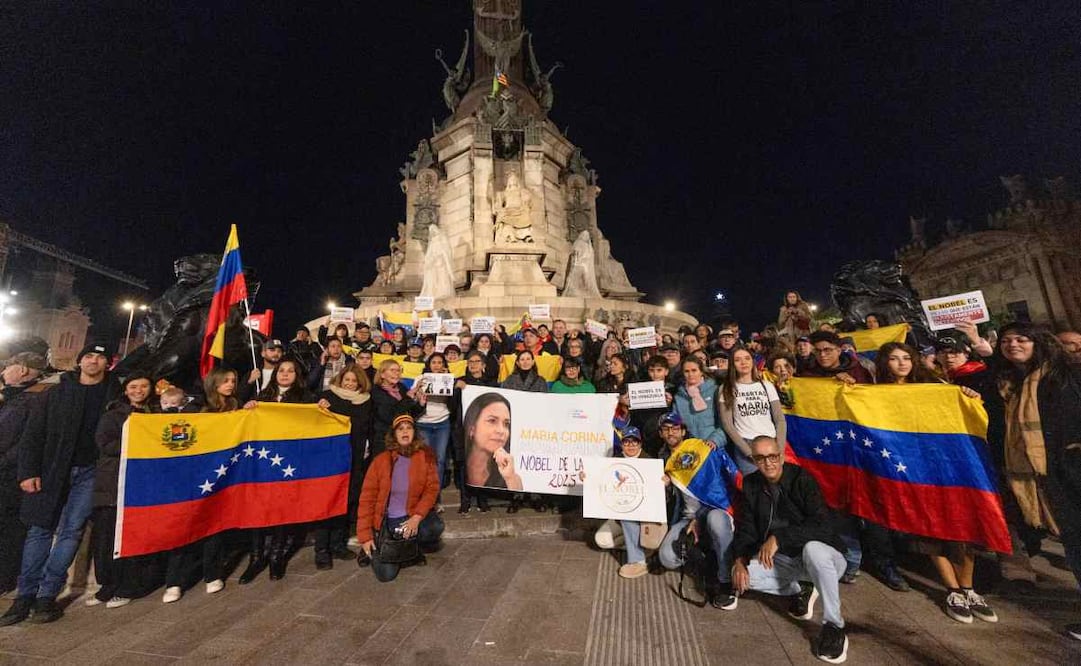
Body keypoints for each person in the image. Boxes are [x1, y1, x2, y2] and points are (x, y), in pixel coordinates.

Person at [1, 342, 115, 626]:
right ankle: (24, 596)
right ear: (80, 361)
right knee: (39, 530)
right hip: (52, 471)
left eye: (99, 358)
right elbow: (33, 435)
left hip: (90, 473)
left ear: (108, 364)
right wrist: (27, 473)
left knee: (71, 532)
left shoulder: (113, 395)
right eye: (88, 356)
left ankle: (46, 596)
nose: (93, 361)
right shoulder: (55, 393)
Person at [993, 322, 1081, 639]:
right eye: (1006, 340)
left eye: (1021, 339)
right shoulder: (1010, 383)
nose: (1013, 344)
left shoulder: (1061, 375)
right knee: (1074, 545)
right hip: (1045, 475)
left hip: (1070, 468)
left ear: (1037, 342)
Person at [731, 436, 850, 664]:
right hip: (787, 561)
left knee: (813, 549)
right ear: (754, 460)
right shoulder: (751, 484)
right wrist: (739, 560)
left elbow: (822, 526)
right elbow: (746, 528)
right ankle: (801, 587)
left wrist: (779, 537)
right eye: (761, 458)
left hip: (827, 559)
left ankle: (834, 626)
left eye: (773, 456)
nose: (768, 463)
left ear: (781, 456)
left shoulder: (801, 479)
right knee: (742, 578)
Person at [88, 373, 163, 609]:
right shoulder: (112, 415)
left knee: (135, 537)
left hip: (142, 485)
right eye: (133, 386)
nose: (138, 390)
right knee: (107, 538)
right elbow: (105, 444)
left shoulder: (156, 414)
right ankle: (107, 584)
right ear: (126, 390)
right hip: (113, 485)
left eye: (143, 386)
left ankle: (129, 585)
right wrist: (137, 442)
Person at [239, 360, 318, 582]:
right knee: (258, 508)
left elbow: (314, 421)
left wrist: (321, 406)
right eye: (281, 370)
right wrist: (247, 408)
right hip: (262, 462)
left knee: (282, 508)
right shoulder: (262, 396)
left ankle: (276, 556)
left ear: (297, 375)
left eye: (290, 371)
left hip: (287, 464)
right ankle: (256, 557)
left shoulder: (305, 397)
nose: (285, 374)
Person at [657, 428, 743, 608]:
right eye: (665, 429)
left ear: (683, 431)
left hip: (715, 511)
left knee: (716, 522)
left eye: (674, 428)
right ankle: (706, 561)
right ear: (660, 434)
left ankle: (725, 580)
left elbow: (734, 482)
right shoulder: (664, 460)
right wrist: (664, 486)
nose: (670, 432)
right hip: (686, 519)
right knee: (667, 558)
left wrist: (700, 517)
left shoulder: (705, 450)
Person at [356, 414, 444, 582]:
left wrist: (417, 517)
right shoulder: (381, 461)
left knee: (434, 526)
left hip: (411, 515)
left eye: (409, 428)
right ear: (394, 434)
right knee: (386, 575)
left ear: (414, 433)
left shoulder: (425, 457)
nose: (405, 432)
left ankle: (412, 548)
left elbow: (432, 489)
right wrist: (365, 536)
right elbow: (366, 500)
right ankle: (379, 548)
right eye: (400, 429)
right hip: (388, 522)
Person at [313, 366, 373, 569]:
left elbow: (365, 426)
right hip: (329, 459)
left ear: (359, 383)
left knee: (347, 501)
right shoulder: (326, 396)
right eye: (346, 380)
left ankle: (338, 544)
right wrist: (319, 406)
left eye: (353, 381)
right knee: (327, 501)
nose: (349, 384)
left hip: (354, 457)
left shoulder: (365, 400)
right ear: (340, 379)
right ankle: (322, 550)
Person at [0, 353, 46, 596]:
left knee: (8, 528)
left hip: (10, 475)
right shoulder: (14, 397)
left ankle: (5, 578)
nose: (4, 372)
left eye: (9, 367)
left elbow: (24, 439)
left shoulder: (30, 399)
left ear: (24, 371)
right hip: (8, 470)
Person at [593, 428, 666, 579]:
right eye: (627, 441)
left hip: (646, 519)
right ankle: (641, 549)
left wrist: (664, 483)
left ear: (640, 444)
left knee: (629, 514)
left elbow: (660, 498)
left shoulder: (651, 462)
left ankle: (637, 561)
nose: (631, 445)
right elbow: (602, 483)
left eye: (635, 441)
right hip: (620, 517)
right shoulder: (615, 461)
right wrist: (588, 476)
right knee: (602, 540)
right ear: (622, 444)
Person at [718, 348, 787, 475]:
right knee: (754, 489)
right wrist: (748, 452)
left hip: (771, 442)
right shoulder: (726, 388)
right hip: (747, 444)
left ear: (753, 362)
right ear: (733, 365)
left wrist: (780, 449)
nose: (743, 363)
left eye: (747, 358)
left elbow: (780, 419)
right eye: (738, 360)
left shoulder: (766, 385)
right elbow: (727, 424)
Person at [451, 352, 496, 513]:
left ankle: (482, 499)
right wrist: (457, 390)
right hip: (463, 429)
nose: (473, 364)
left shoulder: (491, 383)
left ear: (483, 365)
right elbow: (453, 405)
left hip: (484, 432)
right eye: (470, 361)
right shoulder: (461, 382)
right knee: (464, 465)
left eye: (477, 361)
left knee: (484, 463)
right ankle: (465, 499)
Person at [370, 360, 423, 471]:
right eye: (392, 370)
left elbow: (409, 415)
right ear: (382, 374)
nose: (396, 373)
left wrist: (421, 404)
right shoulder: (376, 391)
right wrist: (408, 398)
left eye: (398, 370)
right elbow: (389, 416)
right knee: (384, 472)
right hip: (384, 439)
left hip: (402, 440)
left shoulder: (402, 388)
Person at [463, 391, 520, 491]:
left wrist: (510, 478)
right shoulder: (459, 470)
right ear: (472, 429)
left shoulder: (512, 477)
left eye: (506, 424)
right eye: (492, 421)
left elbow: (517, 500)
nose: (501, 431)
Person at [415, 353, 453, 497]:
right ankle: (424, 493)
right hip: (424, 424)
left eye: (439, 362)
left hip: (442, 423)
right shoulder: (420, 379)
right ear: (429, 365)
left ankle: (435, 496)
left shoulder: (449, 379)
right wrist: (418, 392)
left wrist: (449, 379)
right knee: (425, 460)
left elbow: (453, 401)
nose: (437, 365)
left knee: (441, 460)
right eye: (434, 362)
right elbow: (413, 399)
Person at [673, 357, 726, 450]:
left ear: (701, 372)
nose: (690, 374)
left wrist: (714, 441)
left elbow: (725, 423)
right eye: (686, 371)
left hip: (712, 447)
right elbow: (676, 426)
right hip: (689, 449)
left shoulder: (715, 391)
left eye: (694, 370)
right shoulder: (679, 397)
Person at [630, 356, 674, 458]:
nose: (655, 374)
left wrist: (669, 405)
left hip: (663, 437)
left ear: (666, 371)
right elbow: (635, 415)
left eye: (659, 370)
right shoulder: (640, 389)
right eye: (651, 370)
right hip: (644, 435)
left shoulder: (673, 389)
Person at [799, 331, 873, 384]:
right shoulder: (808, 375)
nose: (822, 355)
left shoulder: (857, 371)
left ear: (838, 351)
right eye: (818, 351)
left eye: (827, 350)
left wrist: (854, 385)